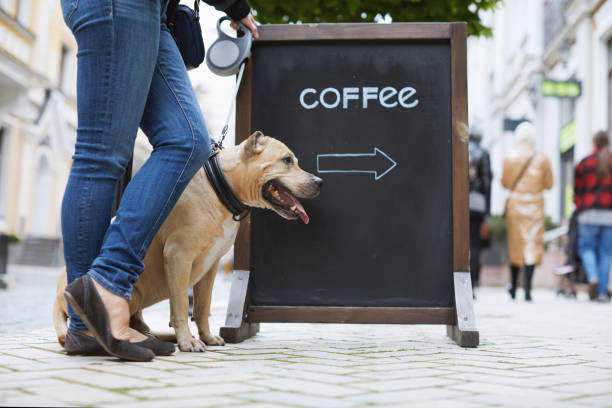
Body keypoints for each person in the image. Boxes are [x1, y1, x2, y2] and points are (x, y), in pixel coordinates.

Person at [59, 0, 259, 361]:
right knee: (101, 154)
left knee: (189, 141)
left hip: (154, 14)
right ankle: (100, 298)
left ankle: (88, 320)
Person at [501, 122, 553, 301]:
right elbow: (549, 184)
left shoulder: (510, 157)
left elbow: (505, 183)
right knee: (532, 245)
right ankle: (528, 289)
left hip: (515, 206)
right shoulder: (542, 158)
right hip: (535, 206)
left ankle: (514, 287)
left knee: (516, 246)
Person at [574, 131, 612, 302]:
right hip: (609, 215)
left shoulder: (584, 163)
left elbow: (577, 190)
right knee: (606, 253)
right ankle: (603, 292)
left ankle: (593, 277)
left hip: (588, 214)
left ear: (594, 143)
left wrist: (580, 208)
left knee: (587, 248)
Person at [468, 127, 492, 293]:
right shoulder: (483, 153)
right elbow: (487, 184)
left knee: (459, 244)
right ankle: (473, 282)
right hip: (477, 204)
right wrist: (487, 211)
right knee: (475, 244)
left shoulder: (459, 149)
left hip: (458, 204)